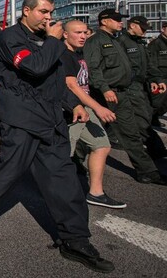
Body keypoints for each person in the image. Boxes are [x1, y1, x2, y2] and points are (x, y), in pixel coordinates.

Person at [0, 0, 114, 273]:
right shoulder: (11, 38)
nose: (48, 17)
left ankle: (75, 240)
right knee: (10, 168)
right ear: (26, 11)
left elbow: (56, 80)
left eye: (51, 12)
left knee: (64, 178)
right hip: (21, 117)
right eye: (43, 12)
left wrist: (72, 105)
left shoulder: (50, 43)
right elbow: (34, 68)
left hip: (51, 119)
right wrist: (53, 40)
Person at [84, 9, 167, 185]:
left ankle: (147, 172)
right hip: (107, 94)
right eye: (116, 19)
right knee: (87, 132)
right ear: (104, 21)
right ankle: (71, 163)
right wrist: (105, 88)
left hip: (121, 94)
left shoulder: (115, 41)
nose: (120, 22)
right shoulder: (96, 41)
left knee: (130, 133)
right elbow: (93, 69)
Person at [62, 20, 126, 209]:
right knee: (64, 154)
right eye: (78, 32)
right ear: (65, 34)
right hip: (71, 109)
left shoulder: (80, 52)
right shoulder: (63, 55)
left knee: (102, 145)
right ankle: (58, 194)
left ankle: (96, 193)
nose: (83, 36)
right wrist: (98, 107)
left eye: (85, 32)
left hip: (86, 106)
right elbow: (72, 85)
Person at [118, 16, 167, 158]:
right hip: (130, 86)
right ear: (132, 26)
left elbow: (148, 64)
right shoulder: (121, 42)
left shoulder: (139, 43)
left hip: (141, 85)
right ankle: (155, 150)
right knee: (142, 119)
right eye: (142, 28)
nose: (145, 32)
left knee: (141, 118)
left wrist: (156, 79)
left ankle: (155, 149)